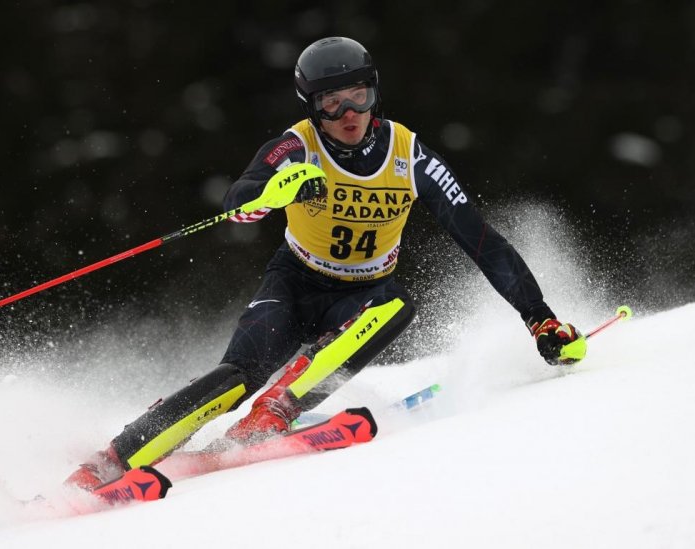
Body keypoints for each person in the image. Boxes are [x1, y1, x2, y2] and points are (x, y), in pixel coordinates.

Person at [65, 37, 587, 489]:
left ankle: (277, 411)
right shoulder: (298, 146)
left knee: (399, 304)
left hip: (361, 298)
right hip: (293, 283)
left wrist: (538, 317)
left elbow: (481, 240)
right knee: (234, 379)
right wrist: (273, 190)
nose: (349, 115)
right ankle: (109, 461)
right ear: (313, 107)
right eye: (332, 104)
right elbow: (238, 198)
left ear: (374, 93)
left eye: (358, 98)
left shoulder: (408, 154)